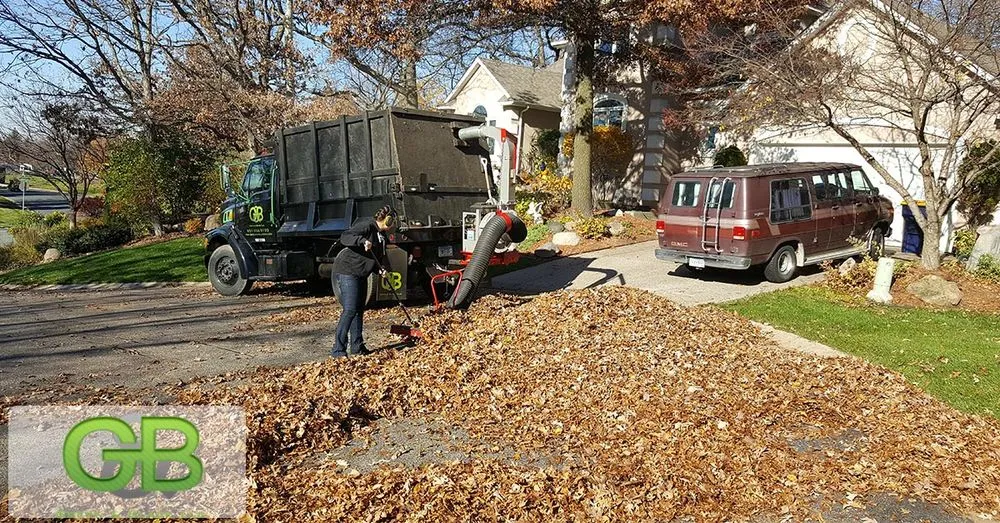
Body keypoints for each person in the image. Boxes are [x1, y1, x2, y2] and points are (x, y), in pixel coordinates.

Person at [330, 206, 396, 357]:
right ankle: (338, 349)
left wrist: (380, 270)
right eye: (393, 221)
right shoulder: (367, 225)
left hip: (361, 274)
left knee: (359, 310)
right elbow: (345, 237)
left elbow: (375, 259)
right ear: (388, 219)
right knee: (350, 310)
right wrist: (362, 241)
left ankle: (357, 347)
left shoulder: (382, 236)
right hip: (348, 271)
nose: (394, 225)